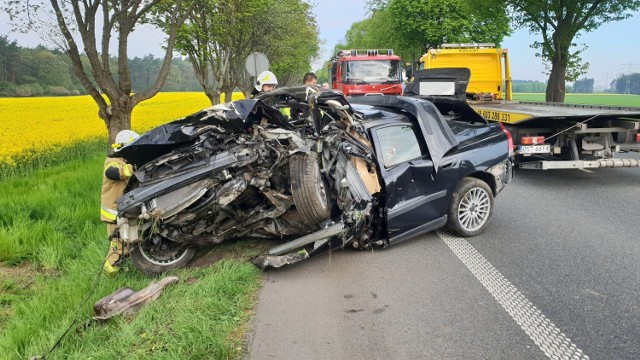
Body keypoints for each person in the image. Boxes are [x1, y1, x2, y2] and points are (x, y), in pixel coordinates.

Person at [101, 129, 139, 275]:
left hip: (121, 211)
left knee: (127, 241)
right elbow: (114, 172)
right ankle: (110, 272)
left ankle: (123, 269)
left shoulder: (123, 161)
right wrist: (131, 169)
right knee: (118, 246)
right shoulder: (112, 162)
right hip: (113, 214)